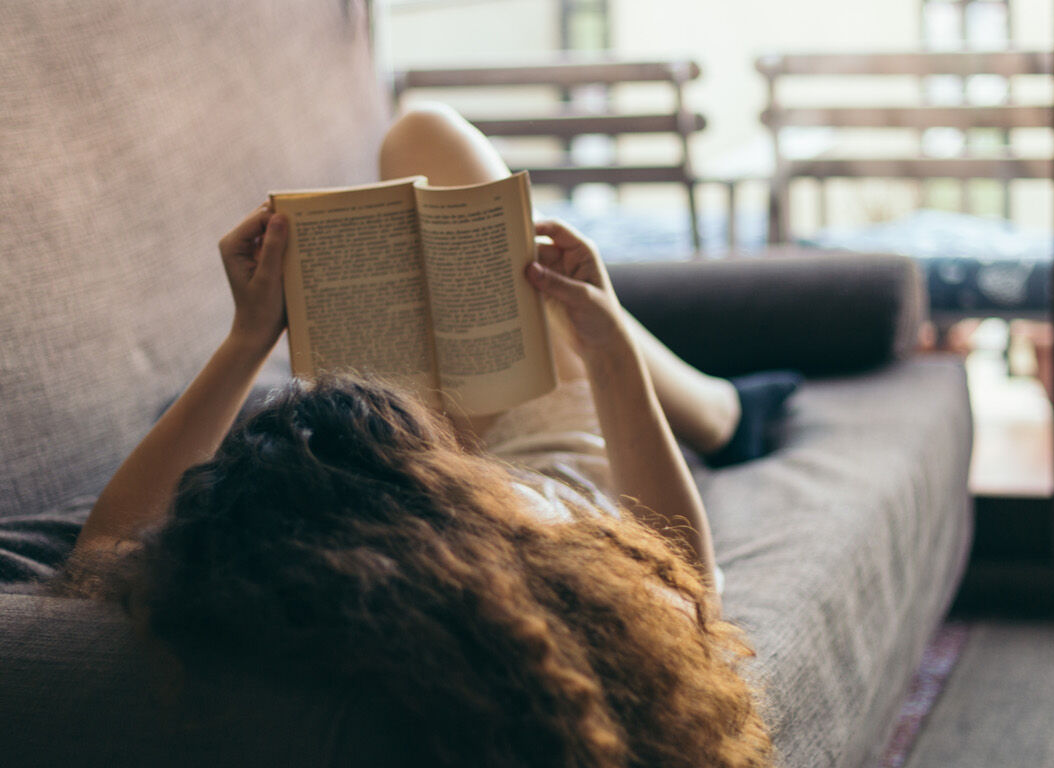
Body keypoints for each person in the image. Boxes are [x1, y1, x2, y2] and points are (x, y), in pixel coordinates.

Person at [63, 105, 794, 766]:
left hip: (419, 473)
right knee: (428, 137)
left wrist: (248, 338)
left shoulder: (329, 570)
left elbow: (102, 552)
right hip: (549, 448)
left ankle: (714, 405)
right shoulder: (561, 569)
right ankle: (724, 414)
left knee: (421, 147)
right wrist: (611, 358)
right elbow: (688, 576)